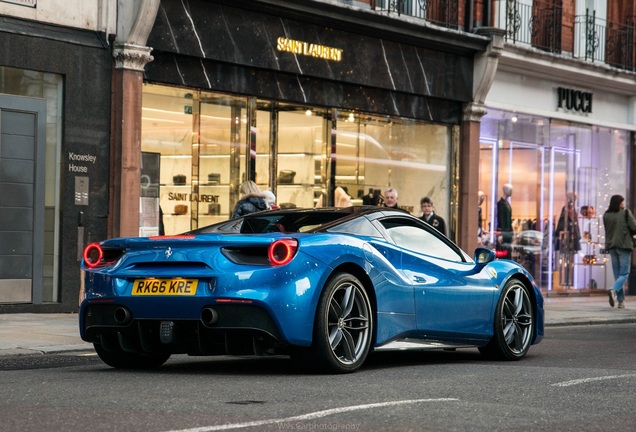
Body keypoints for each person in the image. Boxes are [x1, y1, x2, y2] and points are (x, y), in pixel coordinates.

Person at [602, 194, 636, 309]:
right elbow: (634, 227)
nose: (623, 204)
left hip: (612, 247)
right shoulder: (625, 212)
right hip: (624, 246)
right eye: (622, 202)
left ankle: (620, 301)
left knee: (617, 274)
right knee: (624, 274)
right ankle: (613, 290)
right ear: (618, 203)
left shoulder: (606, 215)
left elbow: (607, 232)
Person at [496, 183, 513, 258]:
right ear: (505, 190)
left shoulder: (507, 204)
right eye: (510, 189)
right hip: (504, 233)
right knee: (504, 253)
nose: (511, 191)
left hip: (508, 233)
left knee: (508, 252)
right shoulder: (500, 204)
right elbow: (501, 219)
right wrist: (500, 234)